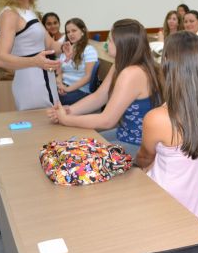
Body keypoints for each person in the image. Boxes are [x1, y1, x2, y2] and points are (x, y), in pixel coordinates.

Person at [135, 31, 198, 218]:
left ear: (167, 63)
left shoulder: (158, 118)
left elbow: (143, 159)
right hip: (196, 206)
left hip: (164, 207)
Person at [48, 19, 164, 157]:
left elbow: (107, 120)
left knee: (75, 155)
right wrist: (69, 111)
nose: (106, 44)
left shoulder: (132, 73)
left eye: (110, 40)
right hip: (124, 134)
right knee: (74, 146)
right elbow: (100, 96)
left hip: (139, 145)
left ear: (121, 45)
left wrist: (66, 120)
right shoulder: (120, 65)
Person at [0, 0, 62, 111]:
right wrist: (34, 61)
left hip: (46, 80)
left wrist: (67, 46)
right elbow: (1, 58)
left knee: (51, 121)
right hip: (31, 84)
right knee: (40, 123)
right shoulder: (10, 14)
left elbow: (50, 45)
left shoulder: (29, 11)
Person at [56, 18, 98, 105]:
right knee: (44, 94)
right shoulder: (67, 48)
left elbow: (88, 77)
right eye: (68, 32)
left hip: (80, 90)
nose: (70, 34)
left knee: (50, 99)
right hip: (64, 85)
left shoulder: (89, 50)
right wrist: (60, 85)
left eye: (74, 30)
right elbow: (59, 72)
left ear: (82, 31)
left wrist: (67, 89)